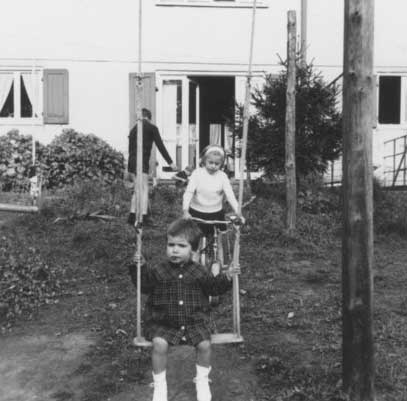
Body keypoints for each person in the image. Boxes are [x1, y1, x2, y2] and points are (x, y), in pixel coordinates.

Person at [128, 218, 237, 401]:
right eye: (171, 245)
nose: (175, 249)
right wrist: (138, 267)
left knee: (204, 344)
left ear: (193, 250)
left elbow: (213, 288)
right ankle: (160, 386)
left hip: (194, 321)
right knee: (159, 344)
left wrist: (227, 277)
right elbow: (145, 286)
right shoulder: (158, 269)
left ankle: (202, 380)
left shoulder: (200, 271)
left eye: (181, 245)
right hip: (164, 321)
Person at [127, 108, 177, 225]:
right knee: (144, 188)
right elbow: (160, 146)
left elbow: (130, 150)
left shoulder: (133, 130)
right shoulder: (152, 128)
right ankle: (144, 216)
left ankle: (132, 215)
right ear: (149, 117)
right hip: (141, 161)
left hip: (132, 162)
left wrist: (129, 167)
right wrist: (170, 162)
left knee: (137, 189)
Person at [182, 145, 244, 236]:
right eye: (210, 162)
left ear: (221, 164)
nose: (213, 166)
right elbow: (189, 193)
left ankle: (219, 249)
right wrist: (185, 210)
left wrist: (239, 212)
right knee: (194, 238)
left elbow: (230, 195)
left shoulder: (222, 176)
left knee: (220, 237)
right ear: (204, 161)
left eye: (217, 163)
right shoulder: (197, 174)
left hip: (216, 213)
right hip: (196, 211)